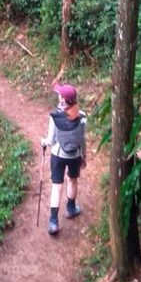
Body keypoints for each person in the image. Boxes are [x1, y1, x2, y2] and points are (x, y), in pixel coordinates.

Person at [41, 83, 87, 235]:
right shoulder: (82, 116)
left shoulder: (55, 117)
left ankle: (53, 222)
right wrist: (83, 156)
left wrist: (43, 142)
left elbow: (51, 141)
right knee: (72, 180)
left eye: (59, 94)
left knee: (56, 186)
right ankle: (71, 209)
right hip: (75, 156)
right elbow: (82, 139)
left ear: (63, 99)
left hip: (58, 156)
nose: (58, 96)